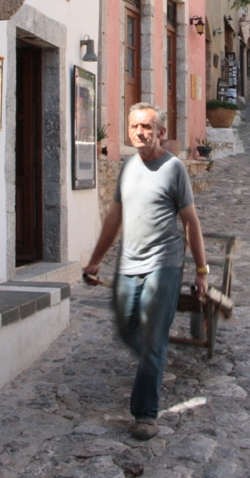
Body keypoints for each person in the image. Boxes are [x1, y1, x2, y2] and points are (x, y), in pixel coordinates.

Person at [83, 102, 208, 441]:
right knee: (125, 327)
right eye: (135, 126)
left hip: (164, 264)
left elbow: (191, 222)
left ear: (161, 133)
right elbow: (114, 219)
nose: (140, 132)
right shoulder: (127, 169)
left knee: (153, 339)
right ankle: (154, 359)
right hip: (129, 263)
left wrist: (201, 270)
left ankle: (145, 413)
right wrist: (95, 259)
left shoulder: (174, 169)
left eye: (147, 127)